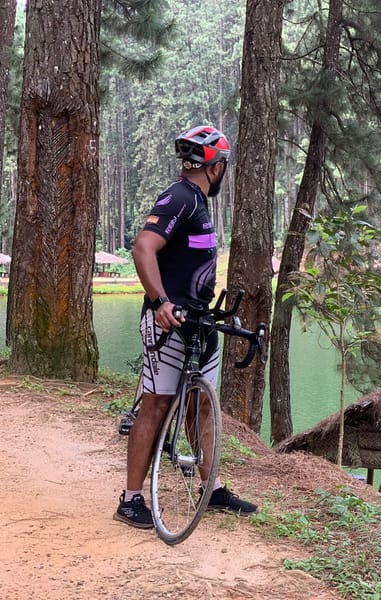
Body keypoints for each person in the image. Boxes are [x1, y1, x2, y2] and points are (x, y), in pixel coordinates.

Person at [114, 125, 257, 529]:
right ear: (214, 167)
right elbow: (143, 247)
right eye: (223, 166)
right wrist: (159, 301)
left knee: (201, 405)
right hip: (168, 322)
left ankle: (211, 490)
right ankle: (130, 500)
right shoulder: (179, 197)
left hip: (198, 321)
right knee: (157, 405)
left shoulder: (196, 201)